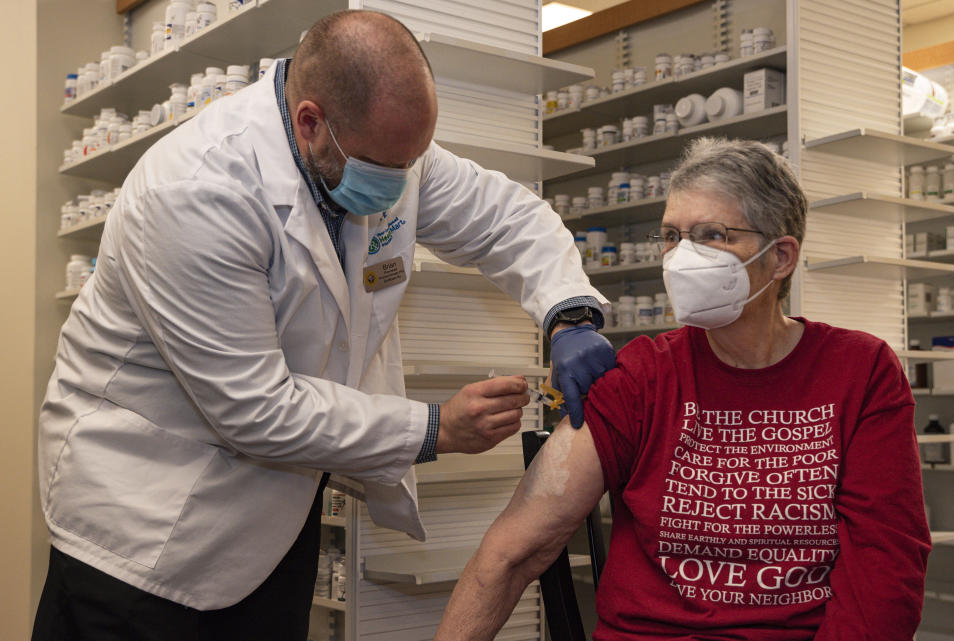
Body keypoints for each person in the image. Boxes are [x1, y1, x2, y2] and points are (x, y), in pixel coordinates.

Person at [33, 10, 615, 641]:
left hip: (272, 518)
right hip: (145, 528)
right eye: (383, 168)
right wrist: (434, 428)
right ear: (311, 122)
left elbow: (506, 219)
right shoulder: (195, 191)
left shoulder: (381, 151)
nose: (399, 187)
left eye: (411, 163)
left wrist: (570, 315)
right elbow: (255, 411)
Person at [435, 138, 931, 641]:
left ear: (781, 257)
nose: (681, 257)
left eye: (711, 234)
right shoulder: (643, 378)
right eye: (672, 235)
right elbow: (512, 552)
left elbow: (885, 570)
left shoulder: (859, 370)